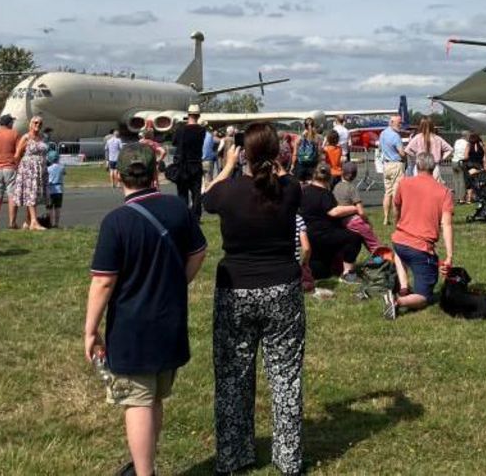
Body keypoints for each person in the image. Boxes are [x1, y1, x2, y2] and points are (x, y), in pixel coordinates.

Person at [85, 143, 207, 476]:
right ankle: (146, 462)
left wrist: (90, 329)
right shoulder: (176, 208)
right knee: (153, 397)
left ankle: (143, 472)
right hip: (170, 321)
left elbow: (104, 282)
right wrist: (178, 282)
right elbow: (198, 251)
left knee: (137, 401)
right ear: (156, 174)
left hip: (131, 326)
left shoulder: (117, 222)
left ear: (117, 176)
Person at [202, 122, 304, 476]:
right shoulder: (290, 190)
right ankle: (289, 458)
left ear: (243, 151)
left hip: (236, 289)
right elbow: (287, 180)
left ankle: (233, 455)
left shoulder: (227, 192)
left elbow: (206, 199)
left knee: (233, 376)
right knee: (286, 376)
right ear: (276, 153)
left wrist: (228, 165)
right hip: (282, 288)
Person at [385, 152, 454, 320]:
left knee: (401, 255)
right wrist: (450, 254)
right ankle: (397, 301)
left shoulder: (404, 183)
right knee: (425, 297)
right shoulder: (444, 192)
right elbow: (446, 224)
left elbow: (397, 208)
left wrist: (398, 223)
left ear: (417, 166)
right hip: (421, 248)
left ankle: (403, 287)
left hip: (399, 240)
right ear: (434, 168)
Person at [302, 163, 365, 282]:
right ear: (329, 178)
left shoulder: (305, 190)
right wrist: (354, 208)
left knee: (322, 273)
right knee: (354, 238)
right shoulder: (325, 193)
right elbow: (333, 212)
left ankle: (314, 271)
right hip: (324, 234)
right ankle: (348, 274)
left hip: (309, 234)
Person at [334, 162, 380, 253]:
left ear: (342, 173)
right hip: (353, 220)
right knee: (372, 242)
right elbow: (361, 211)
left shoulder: (336, 187)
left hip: (341, 221)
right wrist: (367, 222)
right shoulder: (351, 188)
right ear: (355, 176)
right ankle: (384, 258)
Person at [171, 105, 206, 220]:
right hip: (196, 163)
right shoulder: (202, 131)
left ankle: (183, 215)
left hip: (183, 164)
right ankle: (196, 216)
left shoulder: (181, 130)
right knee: (196, 193)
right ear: (198, 115)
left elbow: (174, 142)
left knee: (182, 192)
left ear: (188, 115)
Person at [14, 115, 49, 230]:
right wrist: (22, 167)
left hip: (41, 168)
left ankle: (28, 221)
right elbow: (17, 154)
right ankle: (34, 222)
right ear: (30, 124)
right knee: (31, 194)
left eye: (40, 123)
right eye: (35, 122)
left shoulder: (43, 137)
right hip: (29, 168)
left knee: (35, 194)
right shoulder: (26, 137)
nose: (37, 125)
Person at [403, 117, 452, 183]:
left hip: (420, 167)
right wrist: (442, 158)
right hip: (433, 167)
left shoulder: (417, 137)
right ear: (432, 126)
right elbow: (450, 149)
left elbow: (407, 150)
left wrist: (416, 157)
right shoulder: (437, 138)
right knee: (433, 189)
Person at [379, 115, 406, 225]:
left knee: (387, 193)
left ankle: (386, 218)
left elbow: (381, 147)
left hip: (386, 164)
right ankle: (397, 220)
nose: (400, 125)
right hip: (396, 164)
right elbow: (401, 152)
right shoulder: (396, 136)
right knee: (396, 193)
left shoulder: (383, 133)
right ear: (392, 122)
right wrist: (405, 156)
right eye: (399, 123)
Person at [462, 132, 486, 204]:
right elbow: (485, 156)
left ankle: (469, 199)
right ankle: (479, 196)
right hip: (479, 165)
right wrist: (485, 164)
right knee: (479, 181)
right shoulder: (481, 144)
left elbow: (466, 156)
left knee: (469, 182)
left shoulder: (468, 145)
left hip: (469, 165)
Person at [291, 117, 321, 181]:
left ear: (304, 126)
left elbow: (295, 153)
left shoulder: (299, 138)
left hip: (301, 165)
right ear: (313, 125)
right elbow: (319, 153)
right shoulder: (317, 138)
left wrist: (293, 165)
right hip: (313, 165)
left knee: (300, 185)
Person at [46, 151, 66, 228]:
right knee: (57, 208)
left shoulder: (48, 169)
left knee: (50, 208)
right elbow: (64, 173)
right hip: (59, 190)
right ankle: (56, 223)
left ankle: (50, 223)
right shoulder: (61, 167)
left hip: (50, 190)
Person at [451, 130, 470, 202]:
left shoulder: (457, 141)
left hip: (454, 161)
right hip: (461, 162)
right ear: (467, 136)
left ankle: (456, 197)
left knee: (456, 180)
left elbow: (453, 151)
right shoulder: (467, 143)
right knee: (462, 180)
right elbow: (466, 155)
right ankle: (461, 198)